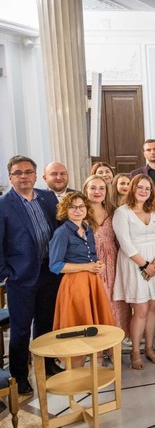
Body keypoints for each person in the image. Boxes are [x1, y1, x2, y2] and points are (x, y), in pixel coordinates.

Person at [0, 156, 61, 393]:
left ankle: (47, 364)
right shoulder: (4, 205)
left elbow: (58, 230)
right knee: (21, 329)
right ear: (10, 177)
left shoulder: (48, 198)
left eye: (28, 172)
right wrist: (6, 274)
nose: (23, 176)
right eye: (18, 173)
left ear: (36, 176)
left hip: (50, 271)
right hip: (21, 276)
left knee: (46, 323)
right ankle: (20, 376)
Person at [113, 175, 155, 370]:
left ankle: (149, 348)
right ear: (132, 188)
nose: (143, 191)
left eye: (147, 188)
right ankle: (135, 352)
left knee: (153, 308)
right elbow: (125, 243)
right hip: (134, 263)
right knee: (141, 310)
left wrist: (154, 264)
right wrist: (144, 265)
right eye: (140, 187)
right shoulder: (122, 212)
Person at [50, 192, 115, 366]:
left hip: (92, 282)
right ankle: (76, 370)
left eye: (81, 206)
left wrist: (98, 264)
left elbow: (91, 256)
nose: (78, 210)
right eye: (73, 207)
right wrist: (87, 267)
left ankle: (95, 368)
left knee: (95, 326)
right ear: (65, 210)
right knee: (78, 327)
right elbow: (55, 266)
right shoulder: (62, 233)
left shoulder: (88, 229)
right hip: (74, 284)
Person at [83, 175, 131, 335]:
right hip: (90, 262)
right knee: (96, 301)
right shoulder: (79, 212)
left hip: (113, 262)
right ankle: (98, 341)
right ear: (85, 190)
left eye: (101, 188)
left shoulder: (114, 212)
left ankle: (115, 339)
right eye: (93, 188)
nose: (97, 191)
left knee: (115, 300)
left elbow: (121, 240)